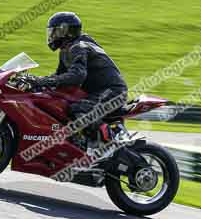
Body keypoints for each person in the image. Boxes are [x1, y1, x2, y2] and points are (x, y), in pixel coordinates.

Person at [30, 12, 128, 142]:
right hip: (100, 91)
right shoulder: (68, 49)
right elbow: (60, 76)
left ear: (66, 31)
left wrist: (43, 81)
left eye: (55, 31)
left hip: (112, 91)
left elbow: (77, 75)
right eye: (51, 32)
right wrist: (35, 80)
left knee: (79, 108)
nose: (52, 36)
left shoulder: (78, 47)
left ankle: (109, 138)